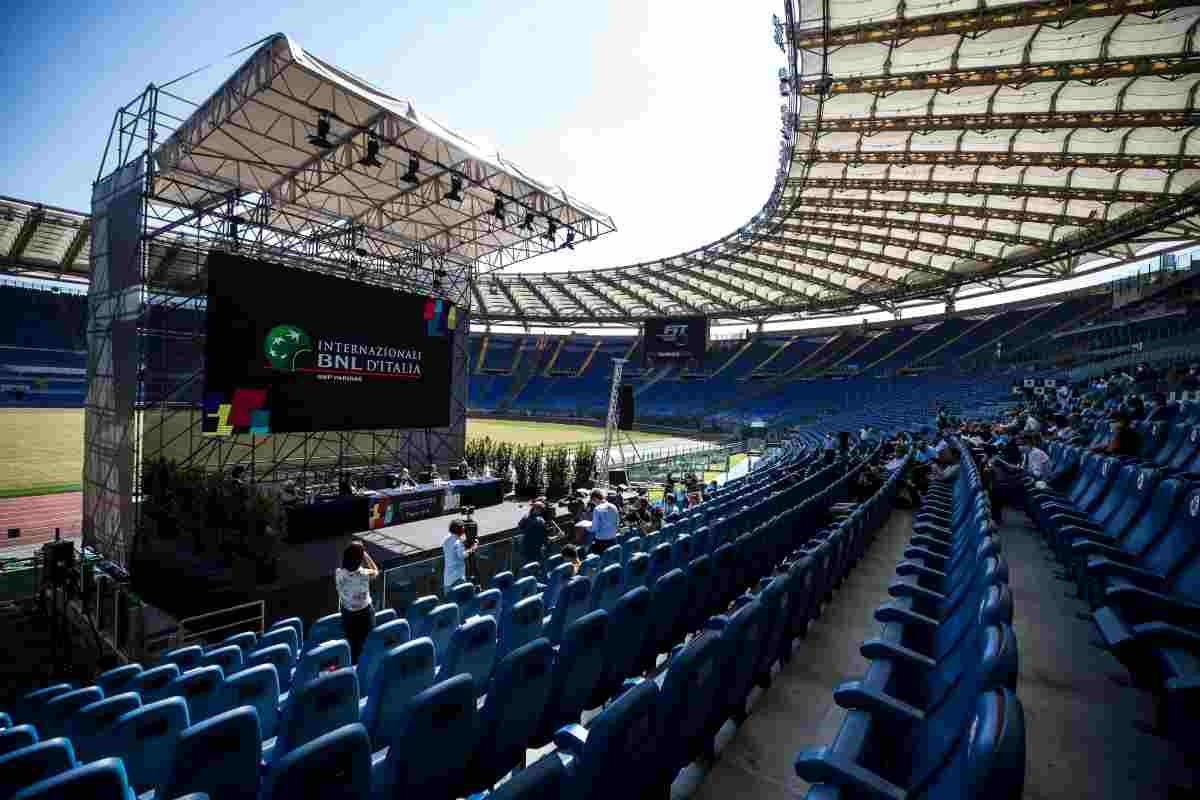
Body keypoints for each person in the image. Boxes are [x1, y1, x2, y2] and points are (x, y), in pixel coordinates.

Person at [336, 542, 379, 662]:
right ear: (360, 560)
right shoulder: (365, 574)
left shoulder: (339, 573)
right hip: (366, 613)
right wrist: (366, 555)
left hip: (349, 615)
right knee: (369, 642)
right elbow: (375, 570)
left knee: (353, 646)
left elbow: (345, 569)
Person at [443, 519, 477, 592]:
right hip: (458, 578)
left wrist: (462, 542)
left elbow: (452, 550)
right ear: (460, 530)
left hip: (447, 579)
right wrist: (472, 548)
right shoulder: (458, 542)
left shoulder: (446, 540)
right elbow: (462, 556)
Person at [518, 500, 549, 567]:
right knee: (537, 566)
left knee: (527, 566)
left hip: (526, 546)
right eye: (542, 509)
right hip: (536, 548)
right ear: (539, 510)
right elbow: (545, 537)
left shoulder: (525, 517)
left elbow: (520, 526)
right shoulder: (541, 521)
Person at [589, 489, 619, 555]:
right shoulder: (614, 506)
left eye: (592, 502)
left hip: (601, 542)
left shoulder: (597, 509)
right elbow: (617, 523)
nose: (593, 504)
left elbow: (594, 528)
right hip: (613, 539)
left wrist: (587, 528)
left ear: (595, 498)